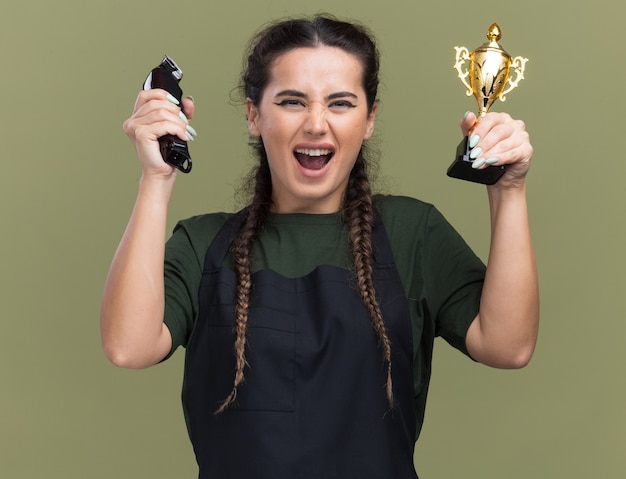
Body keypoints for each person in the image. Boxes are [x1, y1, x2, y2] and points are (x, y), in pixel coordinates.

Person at [100, 14, 539, 479]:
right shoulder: (202, 244)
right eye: (291, 101)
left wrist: (508, 190)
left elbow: (507, 347)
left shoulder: (414, 233)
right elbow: (130, 347)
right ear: (254, 115)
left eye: (341, 103)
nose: (316, 124)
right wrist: (157, 177)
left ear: (368, 119)